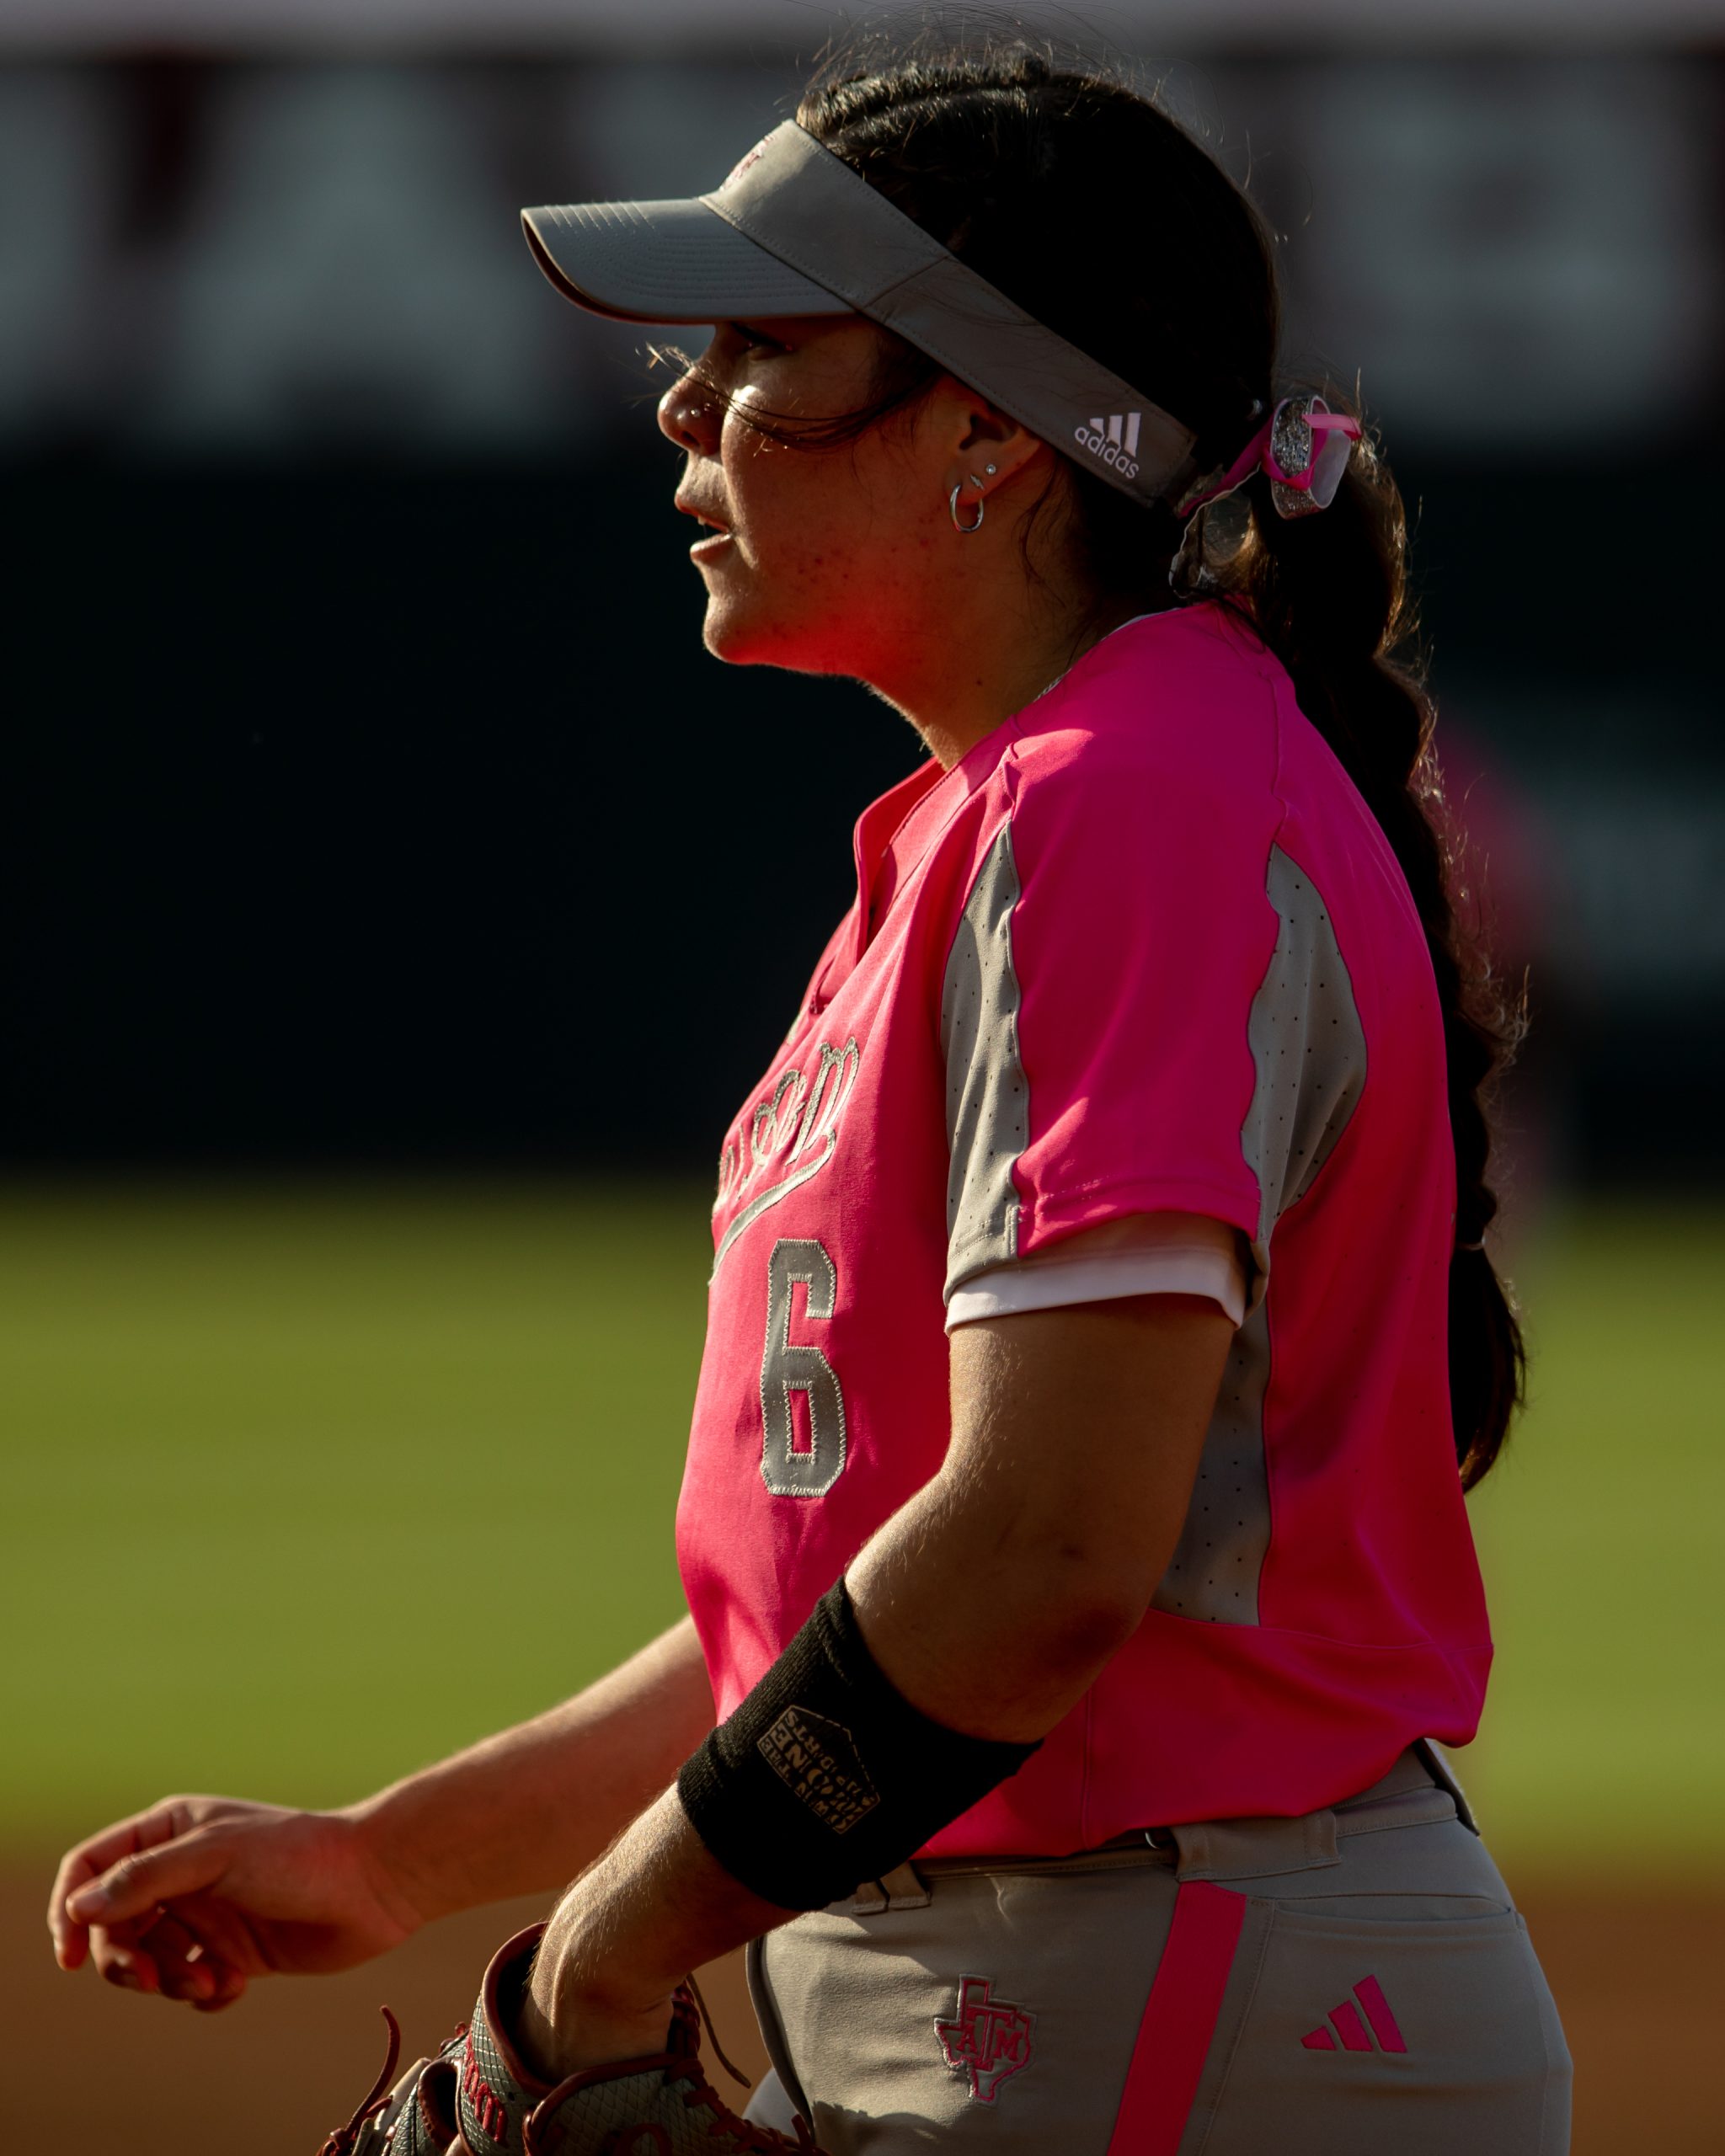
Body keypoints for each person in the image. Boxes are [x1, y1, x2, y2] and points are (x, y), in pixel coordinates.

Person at [47, 37, 1572, 2156]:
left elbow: (1039, 1556)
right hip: (1087, 1982)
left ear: (983, 433)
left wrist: (583, 1966)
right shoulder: (1014, 815)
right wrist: (399, 1858)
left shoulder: (1126, 800)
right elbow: (857, 1592)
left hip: (1158, 1996)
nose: (684, 404)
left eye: (766, 347)